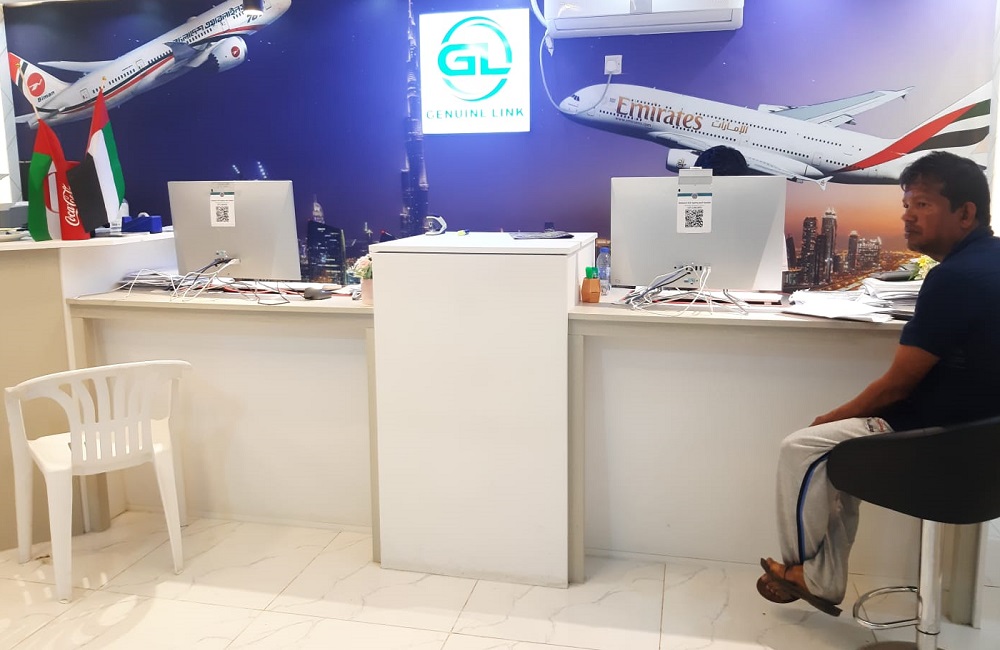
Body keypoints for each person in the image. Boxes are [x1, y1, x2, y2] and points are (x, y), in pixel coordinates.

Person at [756, 150, 1000, 616]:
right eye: (906, 205)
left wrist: (827, 418)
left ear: (965, 213)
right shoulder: (990, 261)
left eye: (922, 205)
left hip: (938, 442)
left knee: (803, 448)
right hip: (984, 444)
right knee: (838, 454)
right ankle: (823, 576)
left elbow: (895, 388)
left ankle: (805, 573)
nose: (907, 216)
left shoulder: (954, 279)